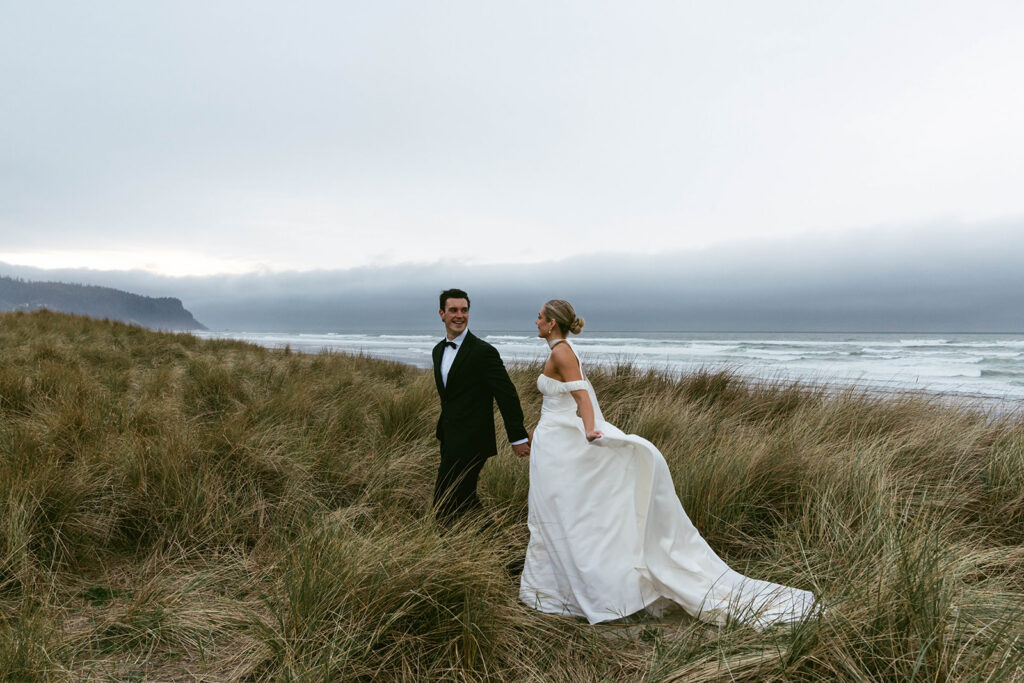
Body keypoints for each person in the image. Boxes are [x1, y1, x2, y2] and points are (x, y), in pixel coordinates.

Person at [519, 299, 817, 628]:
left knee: (564, 515)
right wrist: (538, 431)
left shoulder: (561, 352)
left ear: (552, 323)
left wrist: (591, 430)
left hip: (562, 446)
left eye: (539, 317)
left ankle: (585, 593)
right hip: (552, 440)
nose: (535, 322)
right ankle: (554, 592)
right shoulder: (559, 351)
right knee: (553, 514)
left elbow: (582, 396)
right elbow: (558, 402)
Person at [431, 288, 530, 526]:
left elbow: (506, 394)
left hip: (473, 441)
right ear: (442, 314)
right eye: (453, 310)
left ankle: (497, 555)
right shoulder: (437, 351)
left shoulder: (483, 352)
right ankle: (503, 557)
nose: (459, 315)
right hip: (449, 438)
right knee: (463, 500)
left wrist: (517, 437)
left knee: (444, 501)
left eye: (464, 310)